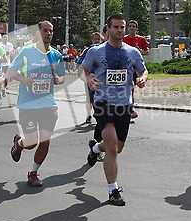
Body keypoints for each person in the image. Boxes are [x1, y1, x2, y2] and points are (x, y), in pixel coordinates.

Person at [79, 14, 148, 206]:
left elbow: (143, 70)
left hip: (124, 104)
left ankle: (94, 148)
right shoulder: (96, 51)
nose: (120, 30)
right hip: (103, 102)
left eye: (122, 27)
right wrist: (89, 79)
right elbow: (82, 70)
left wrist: (142, 78)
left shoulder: (133, 52)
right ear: (108, 29)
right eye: (116, 27)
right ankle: (113, 191)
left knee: (117, 147)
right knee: (112, 148)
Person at [8, 20, 66, 187]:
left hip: (48, 104)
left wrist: (58, 79)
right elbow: (11, 72)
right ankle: (20, 143)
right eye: (45, 31)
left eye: (51, 31)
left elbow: (62, 77)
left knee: (46, 140)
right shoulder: (27, 52)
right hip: (28, 105)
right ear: (38, 33)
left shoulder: (56, 55)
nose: (48, 33)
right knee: (32, 142)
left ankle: (33, 172)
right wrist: (24, 79)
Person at [122, 20, 150, 119]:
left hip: (136, 66)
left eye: (134, 26)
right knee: (129, 88)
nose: (132, 28)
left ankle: (130, 109)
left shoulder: (141, 39)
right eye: (130, 26)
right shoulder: (124, 39)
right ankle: (127, 109)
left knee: (131, 88)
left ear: (137, 28)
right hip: (126, 66)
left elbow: (147, 52)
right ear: (127, 28)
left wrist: (139, 52)